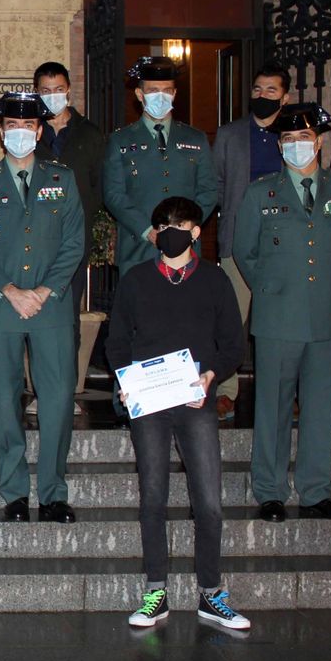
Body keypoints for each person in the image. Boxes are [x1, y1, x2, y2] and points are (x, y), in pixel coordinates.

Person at [106, 198, 250, 631]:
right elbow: (116, 343)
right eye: (162, 224)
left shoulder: (214, 281)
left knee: (208, 501)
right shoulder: (135, 281)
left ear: (195, 231)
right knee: (153, 497)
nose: (170, 231)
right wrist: (125, 381)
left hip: (195, 402)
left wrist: (211, 376)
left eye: (180, 224)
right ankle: (155, 591)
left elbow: (233, 345)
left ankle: (211, 592)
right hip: (149, 404)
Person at [233, 103, 331, 523]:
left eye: (303, 139)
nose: (296, 146)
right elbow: (244, 251)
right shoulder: (260, 192)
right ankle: (270, 491)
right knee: (272, 405)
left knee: (320, 406)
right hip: (278, 316)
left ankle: (315, 490)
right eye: (287, 140)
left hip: (327, 314)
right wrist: (274, 289)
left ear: (319, 142)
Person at [0, 92, 86, 524]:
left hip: (51, 306)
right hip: (1, 306)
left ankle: (53, 491)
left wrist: (45, 290)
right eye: (10, 127)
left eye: (26, 126)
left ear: (38, 131)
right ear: (2, 133)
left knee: (55, 401)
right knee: (5, 400)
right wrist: (11, 290)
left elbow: (75, 242)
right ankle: (14, 491)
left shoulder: (62, 179)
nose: (19, 133)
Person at [211, 64, 292, 419]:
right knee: (231, 321)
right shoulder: (229, 135)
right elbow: (215, 185)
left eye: (271, 91)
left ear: (285, 97)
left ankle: (281, 395)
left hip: (284, 244)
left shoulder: (294, 135)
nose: (262, 96)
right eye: (257, 89)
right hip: (239, 242)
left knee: (281, 323)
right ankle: (225, 391)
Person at [103, 57, 219, 275]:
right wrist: (148, 231)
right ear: (140, 94)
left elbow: (209, 190)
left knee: (185, 308)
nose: (161, 96)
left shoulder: (196, 138)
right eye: (153, 90)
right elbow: (113, 194)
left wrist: (186, 229)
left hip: (186, 250)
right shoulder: (121, 140)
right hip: (139, 247)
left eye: (167, 90)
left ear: (174, 94)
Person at [33, 63, 105, 416]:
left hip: (73, 246)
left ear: (69, 91)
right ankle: (38, 391)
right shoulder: (29, 133)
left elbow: (99, 189)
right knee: (36, 317)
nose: (52, 96)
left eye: (57, 89)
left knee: (68, 321)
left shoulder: (90, 135)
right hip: (34, 243)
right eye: (44, 91)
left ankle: (65, 393)